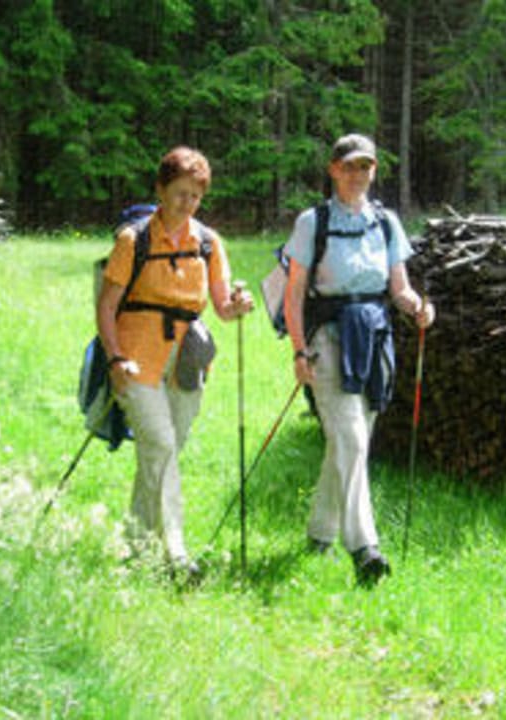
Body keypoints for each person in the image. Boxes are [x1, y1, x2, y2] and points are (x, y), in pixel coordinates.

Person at [283, 133, 435, 587]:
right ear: (333, 170)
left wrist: (419, 308)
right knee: (350, 437)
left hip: (373, 337)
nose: (358, 175)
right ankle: (364, 547)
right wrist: (297, 349)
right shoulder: (314, 222)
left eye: (365, 166)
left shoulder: (385, 222)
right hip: (327, 336)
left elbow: (400, 288)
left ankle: (319, 533)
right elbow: (294, 295)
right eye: (350, 166)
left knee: (352, 439)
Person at [97, 146, 254, 581]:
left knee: (160, 453)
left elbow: (221, 305)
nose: (187, 204)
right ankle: (176, 556)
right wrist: (114, 359)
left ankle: (134, 548)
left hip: (187, 362)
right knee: (161, 447)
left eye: (196, 196)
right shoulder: (134, 241)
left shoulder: (207, 243)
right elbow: (106, 306)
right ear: (161, 190)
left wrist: (239, 304)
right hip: (136, 362)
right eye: (180, 193)